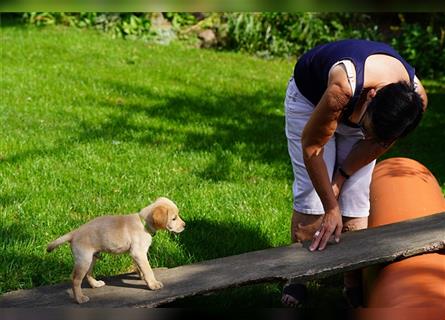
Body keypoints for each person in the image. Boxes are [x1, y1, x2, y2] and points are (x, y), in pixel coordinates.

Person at [281, 39, 427, 308]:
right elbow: (313, 146)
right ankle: (297, 276)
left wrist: (341, 179)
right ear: (371, 97)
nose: (367, 138)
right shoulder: (343, 85)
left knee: (356, 201)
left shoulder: (413, 103)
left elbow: (379, 140)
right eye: (368, 131)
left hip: (362, 111)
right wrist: (329, 205)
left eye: (375, 137)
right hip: (311, 102)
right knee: (312, 197)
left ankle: (352, 284)